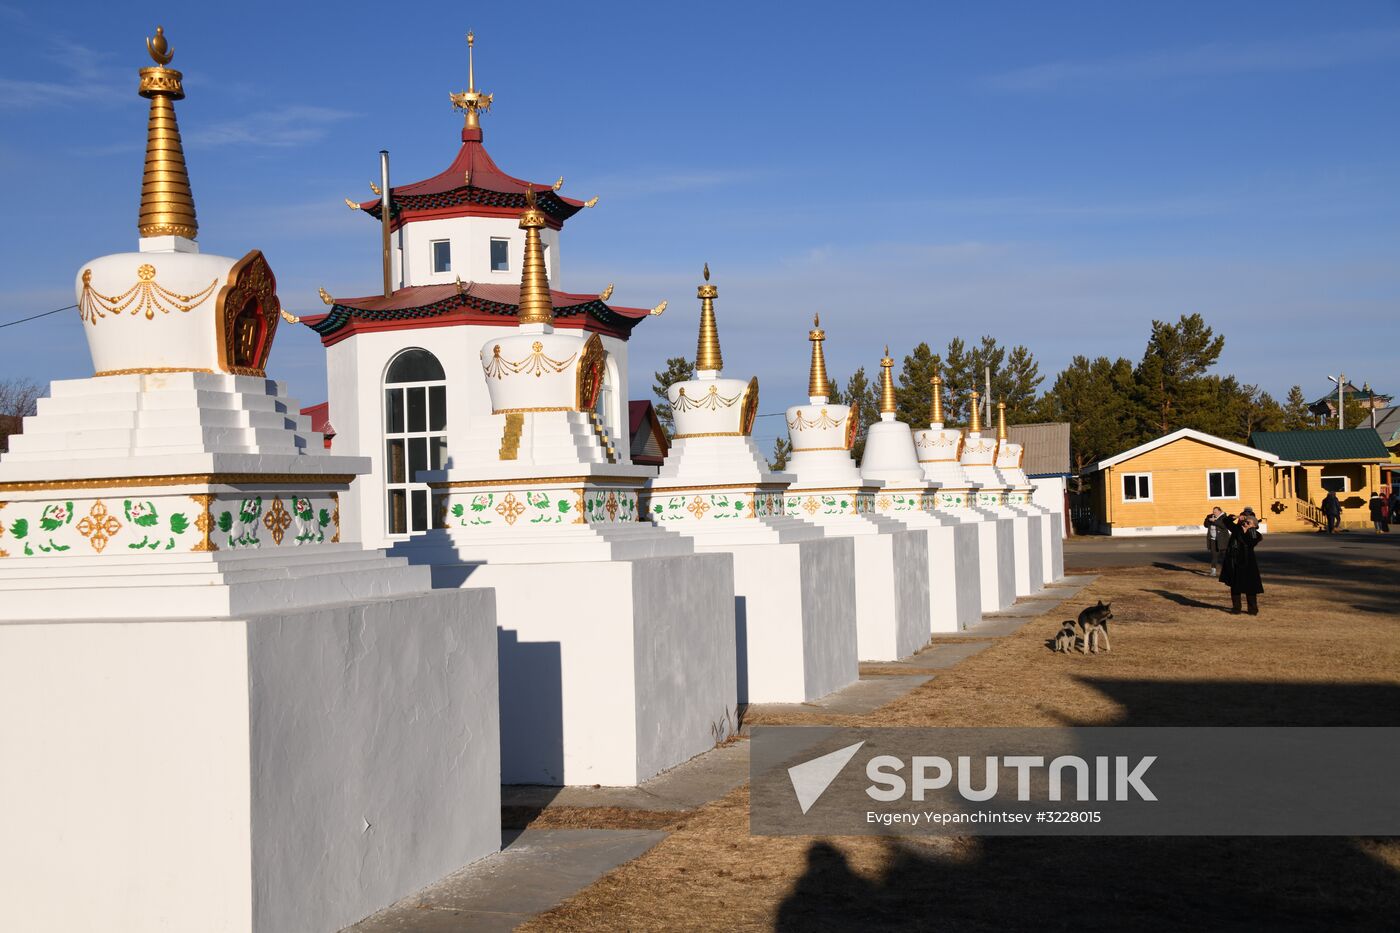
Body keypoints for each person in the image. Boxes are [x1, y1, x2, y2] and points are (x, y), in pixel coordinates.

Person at [1219, 507, 1263, 616]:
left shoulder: (1255, 534)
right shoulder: (1236, 529)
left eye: (1249, 522)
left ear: (1254, 525)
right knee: (1235, 586)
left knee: (1250, 588)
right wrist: (1237, 517)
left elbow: (1249, 543)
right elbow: (1226, 521)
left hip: (1248, 563)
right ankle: (1236, 608)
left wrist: (1246, 530)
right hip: (1235, 562)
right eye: (1245, 521)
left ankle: (1252, 609)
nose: (1246, 523)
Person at [1203, 506, 1228, 575]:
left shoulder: (1224, 517)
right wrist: (1208, 520)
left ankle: (1228, 571)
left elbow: (1224, 526)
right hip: (1213, 539)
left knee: (1225, 556)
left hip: (1223, 540)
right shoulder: (1210, 516)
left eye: (1216, 512)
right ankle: (1213, 571)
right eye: (1213, 512)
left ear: (1220, 511)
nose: (1214, 513)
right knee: (1214, 555)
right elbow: (1205, 525)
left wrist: (1215, 521)